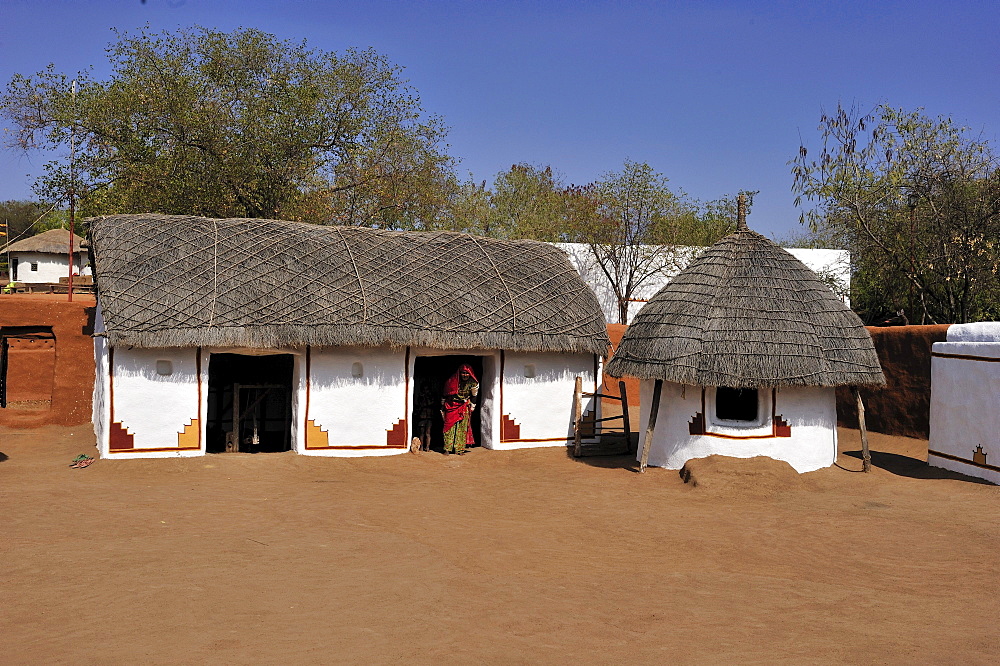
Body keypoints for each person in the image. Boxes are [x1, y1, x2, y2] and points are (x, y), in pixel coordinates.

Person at [441, 363, 479, 455]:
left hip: (464, 406)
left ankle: (459, 449)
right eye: (463, 373)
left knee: (462, 428)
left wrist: (472, 407)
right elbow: (445, 394)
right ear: (459, 373)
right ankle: (447, 449)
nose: (465, 375)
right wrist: (442, 407)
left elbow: (474, 396)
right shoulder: (451, 381)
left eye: (467, 373)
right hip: (451, 405)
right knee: (449, 427)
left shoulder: (473, 383)